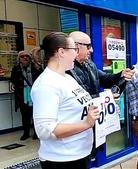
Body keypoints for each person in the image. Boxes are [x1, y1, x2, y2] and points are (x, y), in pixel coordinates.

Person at [31, 32, 100, 169]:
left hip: (79, 155)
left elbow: (80, 107)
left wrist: (103, 106)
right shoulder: (46, 84)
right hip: (62, 160)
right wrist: (86, 124)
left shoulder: (67, 78)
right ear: (61, 52)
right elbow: (45, 130)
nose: (76, 54)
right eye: (74, 49)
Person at [67, 31, 134, 98]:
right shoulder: (65, 69)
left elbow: (106, 79)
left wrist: (121, 75)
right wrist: (103, 97)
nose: (91, 50)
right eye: (88, 46)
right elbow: (75, 100)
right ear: (76, 46)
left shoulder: (90, 64)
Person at [10, 50, 43, 140]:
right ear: (19, 59)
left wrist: (38, 67)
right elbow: (13, 80)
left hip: (35, 93)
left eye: (27, 56)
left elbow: (42, 78)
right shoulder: (16, 68)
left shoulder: (35, 67)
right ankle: (26, 133)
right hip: (22, 94)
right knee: (25, 115)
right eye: (22, 56)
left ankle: (36, 133)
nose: (25, 58)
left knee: (35, 114)